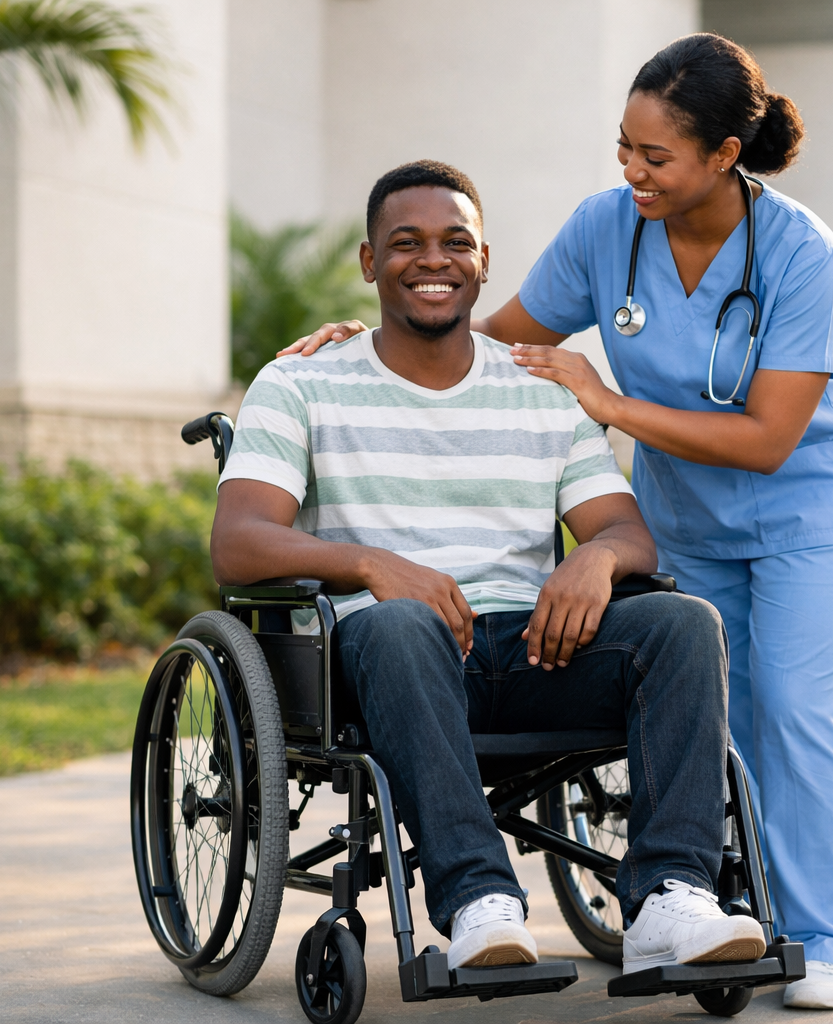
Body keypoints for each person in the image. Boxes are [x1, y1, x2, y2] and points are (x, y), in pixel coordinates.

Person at [286, 35, 833, 1010]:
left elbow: (771, 436)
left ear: (723, 156)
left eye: (656, 157)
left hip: (810, 510)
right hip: (685, 516)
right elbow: (496, 336)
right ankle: (715, 909)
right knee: (726, 718)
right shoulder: (608, 229)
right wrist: (377, 337)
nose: (632, 171)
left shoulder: (800, 252)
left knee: (795, 714)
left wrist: (609, 408)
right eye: (624, 147)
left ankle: (827, 940)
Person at [213, 159, 768, 976]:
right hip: (388, 655)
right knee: (403, 623)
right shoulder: (302, 382)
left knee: (684, 623)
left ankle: (671, 899)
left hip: (534, 648)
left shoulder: (538, 386)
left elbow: (624, 530)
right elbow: (239, 542)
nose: (431, 260)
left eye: (454, 242)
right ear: (371, 263)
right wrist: (371, 564)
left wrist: (599, 561)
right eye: (406, 243)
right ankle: (479, 902)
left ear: (482, 261)